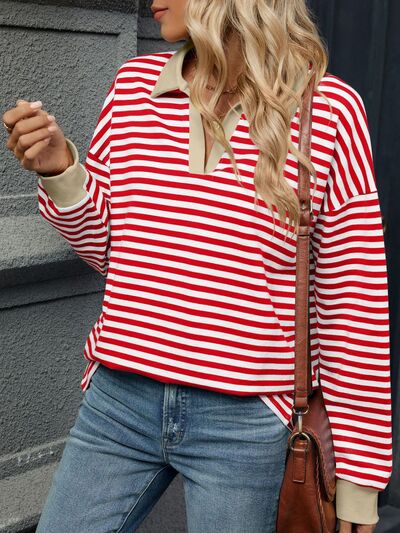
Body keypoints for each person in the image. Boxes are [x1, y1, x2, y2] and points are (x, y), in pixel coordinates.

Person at [2, 1, 392, 532]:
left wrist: (361, 478)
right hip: (119, 399)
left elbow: (355, 299)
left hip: (246, 421)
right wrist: (61, 170)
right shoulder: (134, 86)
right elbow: (109, 251)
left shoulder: (325, 108)